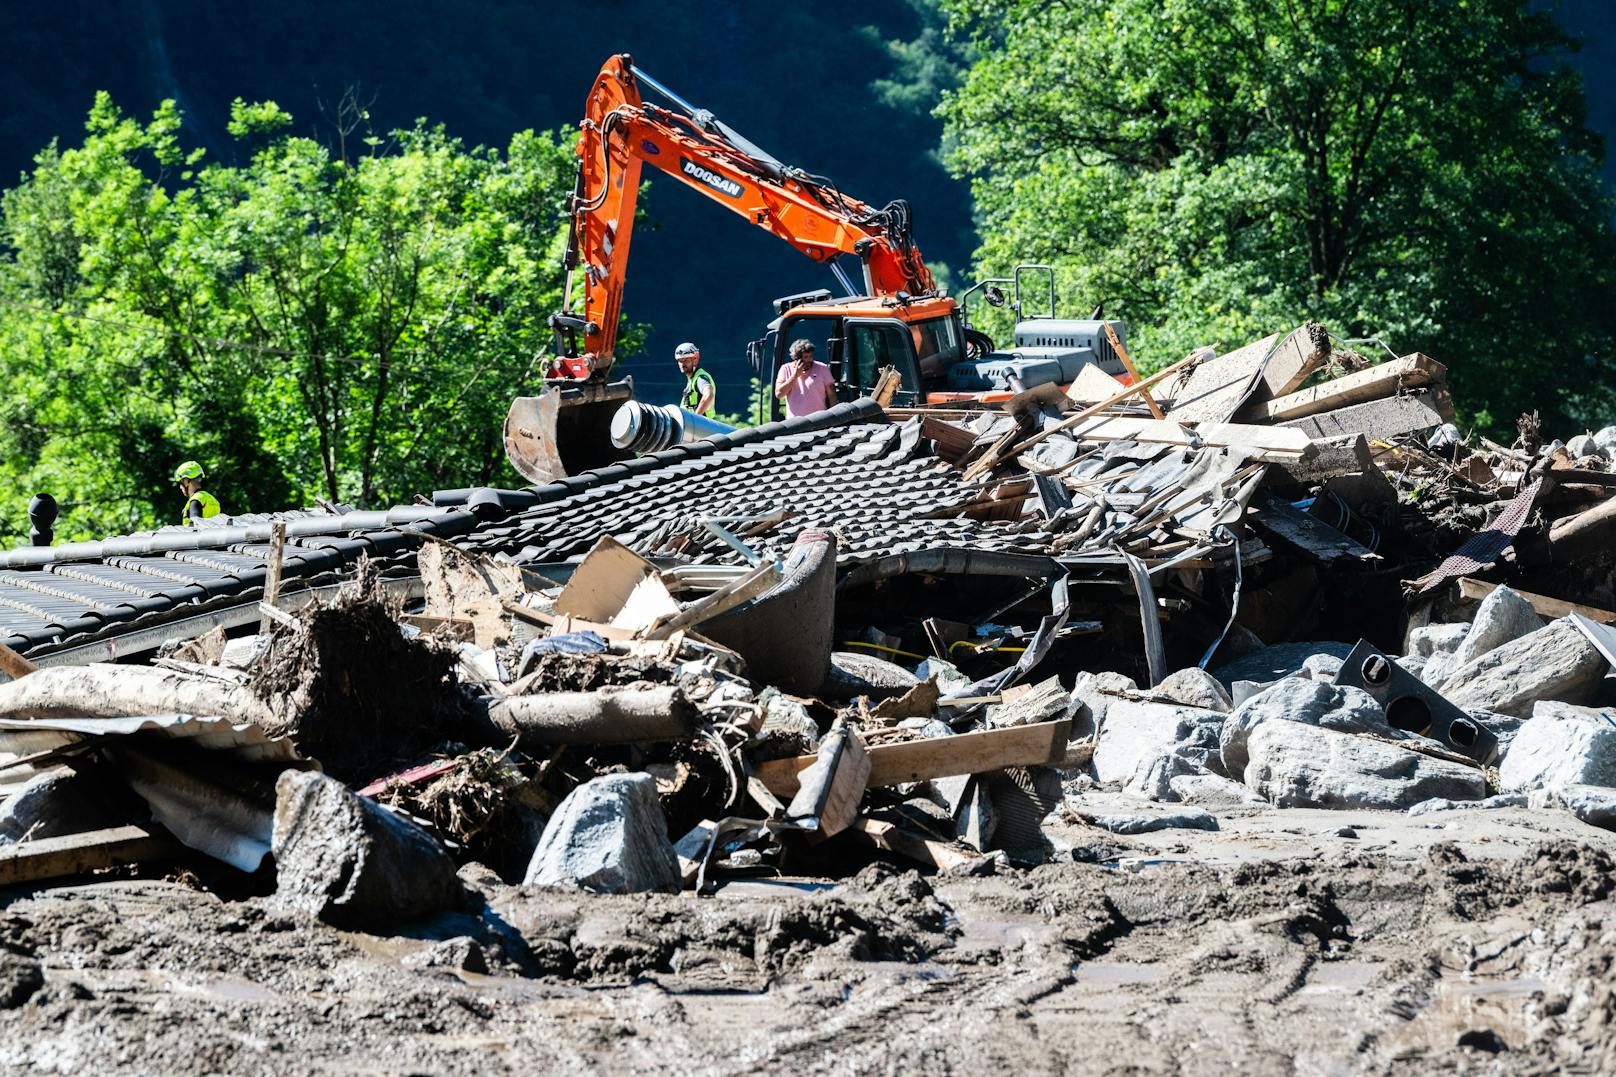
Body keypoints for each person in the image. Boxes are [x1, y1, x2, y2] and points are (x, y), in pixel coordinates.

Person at [774, 339, 835, 418]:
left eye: (811, 356)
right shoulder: (785, 369)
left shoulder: (822, 368)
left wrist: (834, 417)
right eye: (806, 357)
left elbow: (832, 395)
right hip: (794, 423)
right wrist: (795, 376)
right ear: (796, 358)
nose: (810, 360)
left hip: (820, 420)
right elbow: (779, 394)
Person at [172, 460, 222, 526]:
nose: (180, 487)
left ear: (186, 481)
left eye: (181, 483)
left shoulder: (195, 501)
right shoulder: (212, 499)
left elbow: (195, 528)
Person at [674, 342, 717, 417]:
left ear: (695, 359)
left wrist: (695, 419)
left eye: (686, 360)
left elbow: (708, 395)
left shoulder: (700, 378)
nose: (682, 364)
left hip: (703, 426)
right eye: (680, 361)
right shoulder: (692, 380)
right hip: (692, 427)